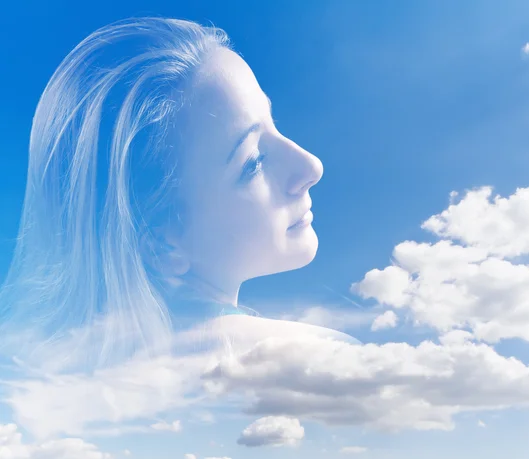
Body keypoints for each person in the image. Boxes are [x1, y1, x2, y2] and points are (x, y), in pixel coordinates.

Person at [0, 17, 357, 371]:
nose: (311, 167)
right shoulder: (323, 361)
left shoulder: (46, 376)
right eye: (253, 162)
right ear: (163, 245)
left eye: (272, 122)